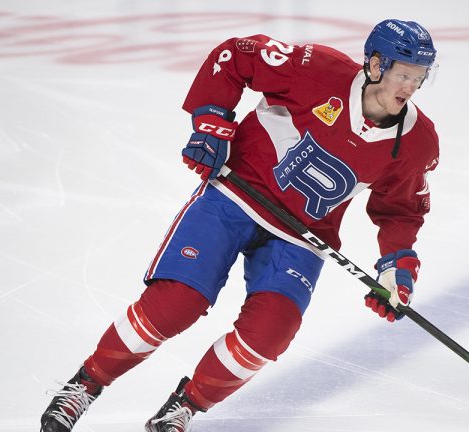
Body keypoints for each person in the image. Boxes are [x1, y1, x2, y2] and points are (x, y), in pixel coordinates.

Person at [40, 18, 439, 432]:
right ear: (375, 65)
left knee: (271, 333)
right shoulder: (315, 67)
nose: (410, 87)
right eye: (403, 74)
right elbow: (235, 55)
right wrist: (211, 120)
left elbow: (401, 210)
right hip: (236, 196)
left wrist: (396, 267)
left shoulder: (418, 142)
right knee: (176, 304)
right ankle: (84, 386)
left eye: (419, 77)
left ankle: (184, 408)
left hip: (302, 235)